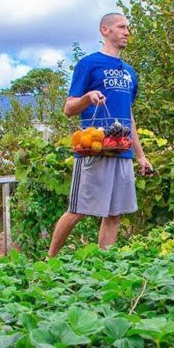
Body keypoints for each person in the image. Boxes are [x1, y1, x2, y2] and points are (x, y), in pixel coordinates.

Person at [47, 13, 153, 257]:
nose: (127, 32)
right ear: (105, 30)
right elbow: (68, 108)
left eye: (128, 27)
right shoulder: (89, 64)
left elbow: (129, 116)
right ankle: (48, 261)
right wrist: (87, 97)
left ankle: (104, 267)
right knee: (78, 210)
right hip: (95, 148)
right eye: (121, 27)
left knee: (114, 214)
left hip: (122, 150)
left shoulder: (129, 73)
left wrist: (140, 156)